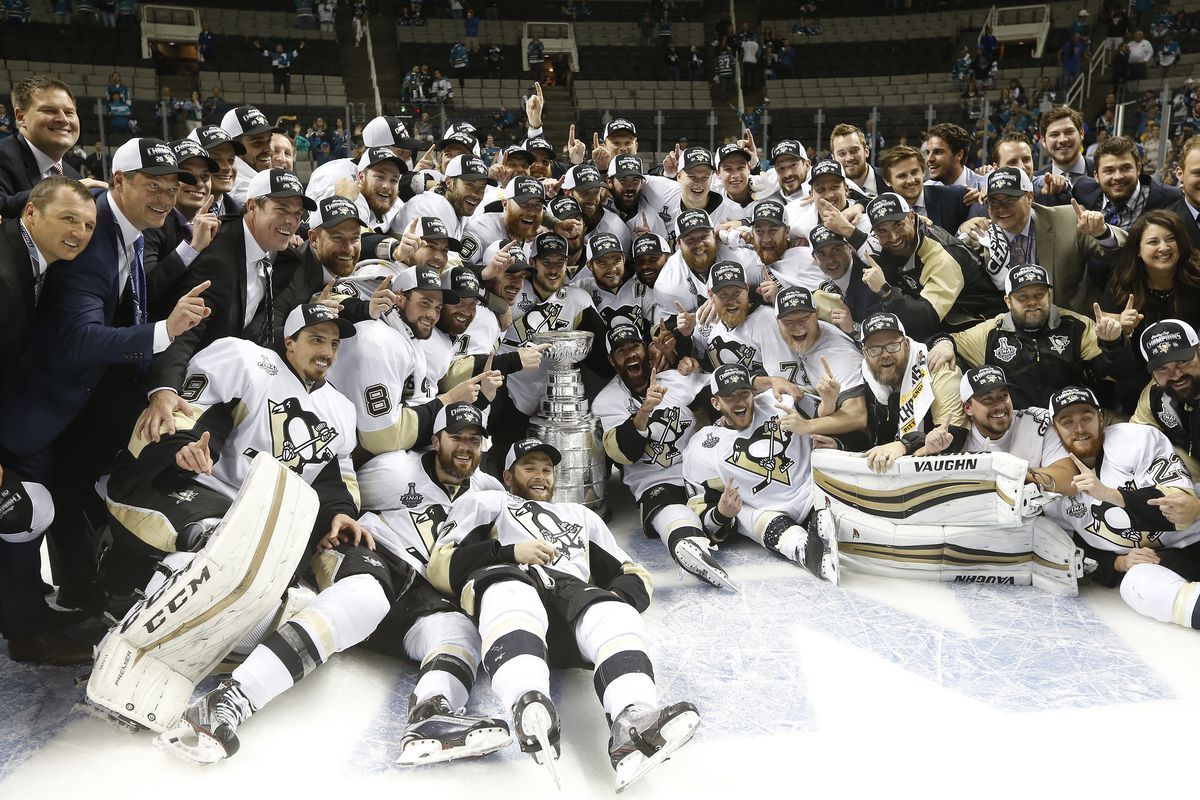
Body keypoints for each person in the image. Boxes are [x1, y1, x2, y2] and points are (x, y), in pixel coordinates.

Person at [161, 402, 518, 766]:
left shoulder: (488, 492)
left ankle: (430, 716)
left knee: (459, 631)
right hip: (374, 554)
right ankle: (230, 698)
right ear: (435, 439)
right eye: (456, 437)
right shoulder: (393, 470)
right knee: (366, 597)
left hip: (423, 588)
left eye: (474, 439)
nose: (465, 446)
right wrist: (327, 529)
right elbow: (330, 495)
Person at [0, 139, 208, 662]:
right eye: (151, 184)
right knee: (23, 517)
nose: (164, 196)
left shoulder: (125, 233)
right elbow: (76, 337)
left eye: (171, 186)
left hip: (52, 405)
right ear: (118, 182)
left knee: (35, 515)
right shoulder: (89, 242)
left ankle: (31, 611)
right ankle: (26, 632)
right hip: (30, 408)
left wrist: (159, 382)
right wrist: (163, 331)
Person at [428, 436, 701, 791]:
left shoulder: (581, 515)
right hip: (508, 587)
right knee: (511, 589)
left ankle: (633, 720)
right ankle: (528, 699)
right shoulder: (486, 503)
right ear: (508, 476)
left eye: (547, 469)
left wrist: (609, 599)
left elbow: (635, 575)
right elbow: (441, 567)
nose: (540, 476)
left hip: (568, 602)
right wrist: (509, 553)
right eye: (529, 468)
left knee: (615, 612)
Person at [1042, 385, 1200, 630]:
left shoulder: (1137, 440)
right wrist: (1117, 563)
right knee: (1134, 583)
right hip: (1167, 559)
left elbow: (1181, 509)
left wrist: (1109, 494)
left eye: (1086, 417)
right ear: (1055, 428)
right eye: (1068, 421)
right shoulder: (1056, 489)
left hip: (1195, 537)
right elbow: (1067, 550)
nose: (1080, 428)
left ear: (1101, 418)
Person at [594, 324, 731, 588]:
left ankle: (718, 524)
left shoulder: (676, 379)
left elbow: (722, 392)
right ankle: (688, 543)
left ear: (646, 350)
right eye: (621, 351)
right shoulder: (606, 401)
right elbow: (623, 454)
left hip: (695, 471)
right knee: (668, 507)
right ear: (612, 360)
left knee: (731, 502)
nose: (630, 354)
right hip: (653, 480)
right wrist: (644, 412)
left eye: (634, 346)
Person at [681, 363, 838, 580]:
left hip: (814, 490)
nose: (739, 402)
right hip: (770, 512)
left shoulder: (781, 402)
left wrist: (834, 440)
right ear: (715, 403)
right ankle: (804, 550)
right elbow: (700, 514)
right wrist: (721, 513)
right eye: (729, 397)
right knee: (743, 512)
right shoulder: (703, 447)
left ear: (753, 393)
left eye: (744, 393)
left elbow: (830, 422)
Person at [927, 263, 1137, 410]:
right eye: (1022, 297)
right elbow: (948, 338)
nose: (1032, 302)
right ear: (1008, 301)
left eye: (1039, 295)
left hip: (1070, 419)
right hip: (1015, 424)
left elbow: (1123, 374)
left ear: (1050, 296)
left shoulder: (1076, 325)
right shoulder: (992, 331)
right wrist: (944, 342)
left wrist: (1114, 344)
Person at [959, 166, 1126, 315]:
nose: (1001, 209)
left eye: (1009, 200)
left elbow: (1126, 247)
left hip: (1067, 324)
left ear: (1030, 196)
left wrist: (1102, 232)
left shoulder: (1068, 220)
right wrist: (961, 232)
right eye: (993, 202)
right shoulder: (981, 234)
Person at [865, 192, 1003, 340]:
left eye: (898, 225)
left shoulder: (943, 255)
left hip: (983, 327)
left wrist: (887, 292)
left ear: (912, 217)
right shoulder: (897, 245)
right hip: (947, 326)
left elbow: (926, 319)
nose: (893, 237)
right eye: (882, 231)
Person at [857, 312, 966, 467]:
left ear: (906, 345)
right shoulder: (865, 374)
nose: (885, 354)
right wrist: (838, 442)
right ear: (865, 353)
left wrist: (905, 444)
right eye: (874, 349)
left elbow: (954, 435)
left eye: (893, 345)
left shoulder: (936, 366)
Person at [0, 76, 105, 218]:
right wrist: (66, 192)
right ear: (20, 117)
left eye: (69, 112)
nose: (63, 119)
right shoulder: (3, 155)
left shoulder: (73, 176)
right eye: (49, 111)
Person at [1130, 319, 1200, 477]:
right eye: (1162, 368)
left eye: (1182, 361)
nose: (1176, 375)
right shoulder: (1154, 394)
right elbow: (1135, 437)